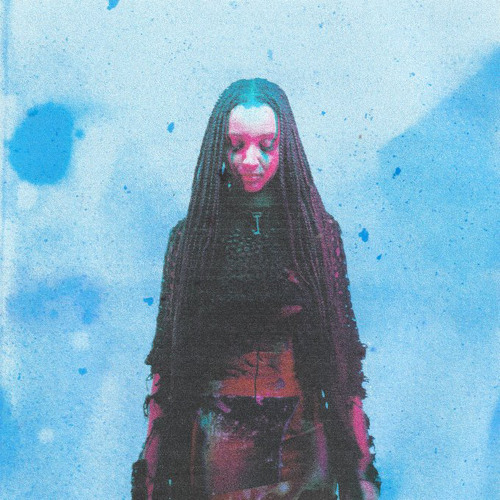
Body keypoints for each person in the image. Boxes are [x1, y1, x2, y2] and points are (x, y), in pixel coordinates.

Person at [131, 79, 380, 499]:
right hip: (217, 454)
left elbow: (343, 360)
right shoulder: (191, 239)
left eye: (267, 145)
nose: (251, 160)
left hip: (304, 450)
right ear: (219, 149)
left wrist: (361, 473)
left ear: (287, 147)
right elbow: (167, 368)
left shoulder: (317, 236)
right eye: (236, 145)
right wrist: (152, 479)